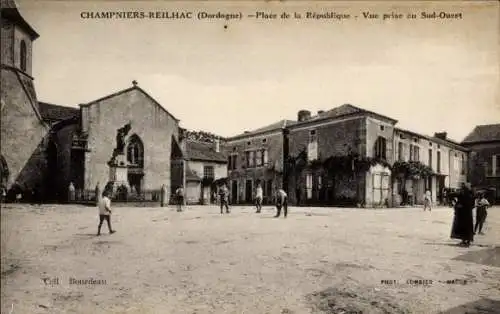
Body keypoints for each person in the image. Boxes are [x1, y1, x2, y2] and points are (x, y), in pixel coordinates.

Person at [450, 183, 475, 247]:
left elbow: (452, 195)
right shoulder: (470, 195)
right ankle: (466, 241)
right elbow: (473, 205)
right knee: (467, 227)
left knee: (463, 227)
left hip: (463, 214)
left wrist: (457, 204)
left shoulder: (463, 194)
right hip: (468, 214)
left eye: (462, 188)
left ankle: (465, 241)